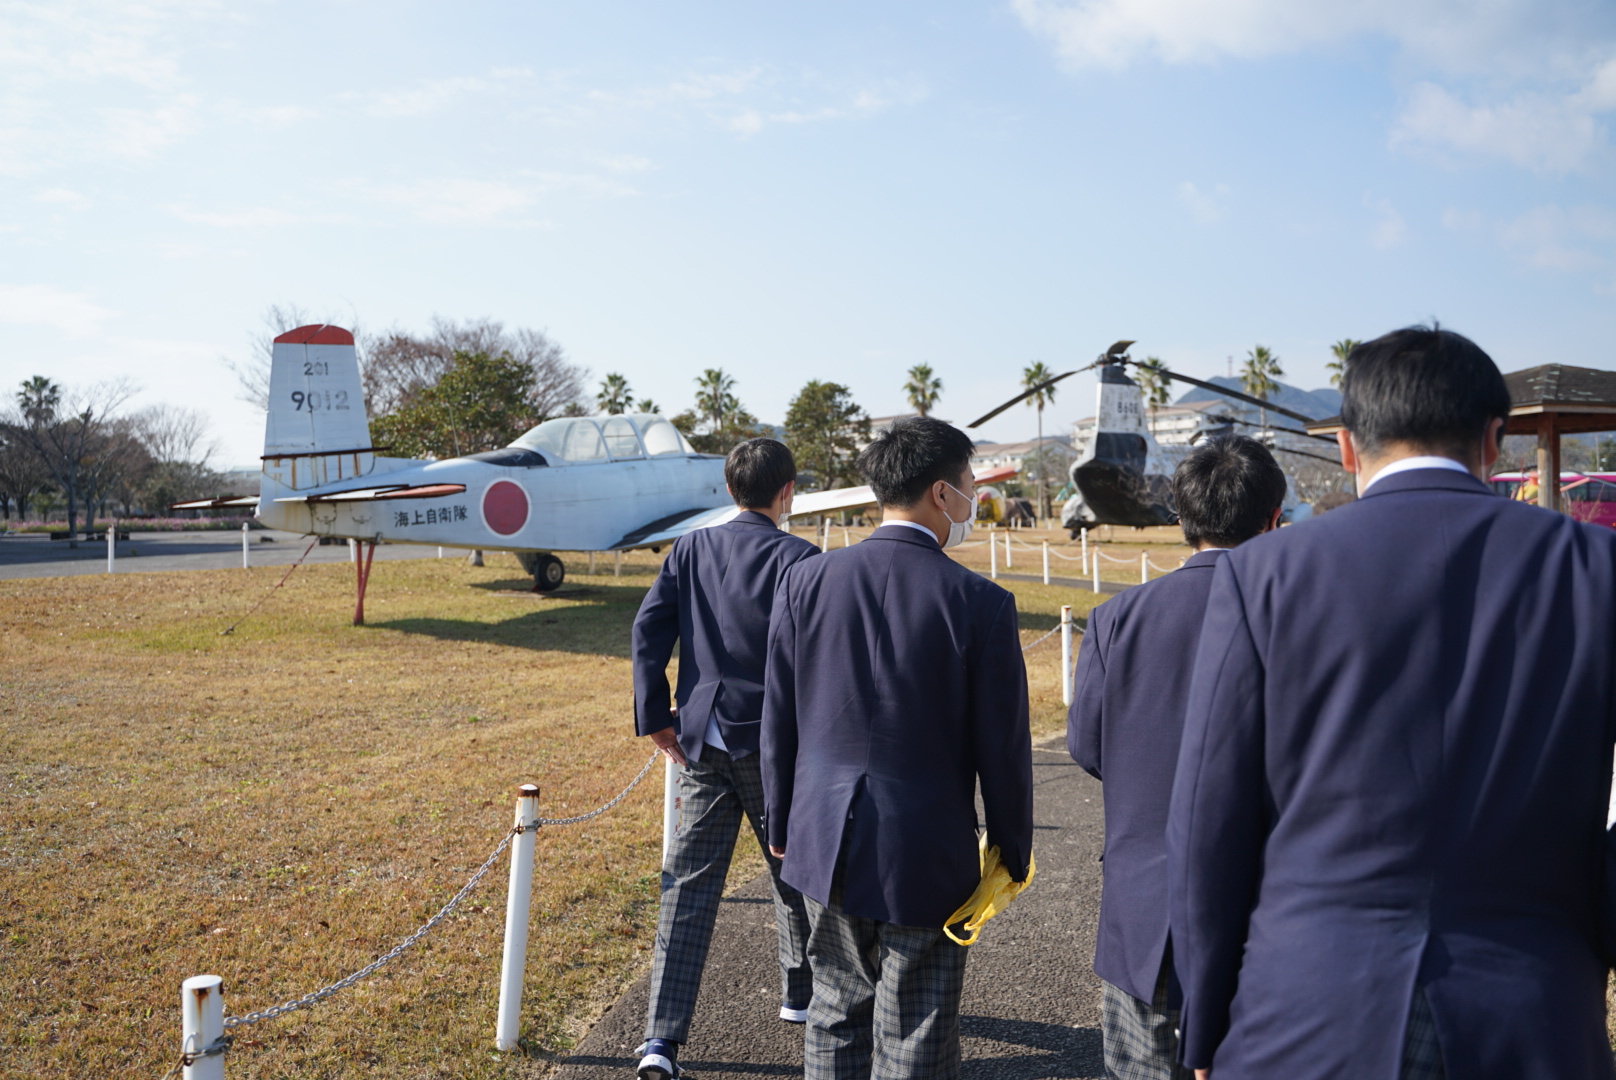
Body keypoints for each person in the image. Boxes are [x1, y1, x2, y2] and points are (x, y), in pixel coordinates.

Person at [1167, 326, 1616, 1079]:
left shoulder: (1264, 575)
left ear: (1346, 443)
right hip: (1534, 1008)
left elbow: (1208, 819)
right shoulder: (1596, 568)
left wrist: (1207, 1017)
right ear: (1495, 440)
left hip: (1306, 1008)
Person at [760, 416, 1034, 1080]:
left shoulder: (806, 580)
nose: (972, 497)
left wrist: (780, 818)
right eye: (968, 484)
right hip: (927, 849)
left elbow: (779, 715)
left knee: (834, 1013)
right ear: (943, 493)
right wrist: (1011, 850)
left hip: (822, 835)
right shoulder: (982, 603)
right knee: (917, 1027)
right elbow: (1003, 749)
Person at [1068, 435, 1286, 1080]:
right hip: (1269, 908)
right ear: (1275, 519)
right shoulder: (1301, 615)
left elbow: (1085, 744)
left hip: (1145, 901)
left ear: (1181, 517)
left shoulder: (1117, 618)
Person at [630, 437, 818, 1080]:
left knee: (686, 889)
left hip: (701, 737)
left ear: (729, 488)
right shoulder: (802, 558)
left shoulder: (691, 548)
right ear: (787, 491)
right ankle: (802, 993)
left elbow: (648, 630)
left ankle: (661, 1038)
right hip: (779, 745)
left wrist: (654, 713)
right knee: (796, 869)